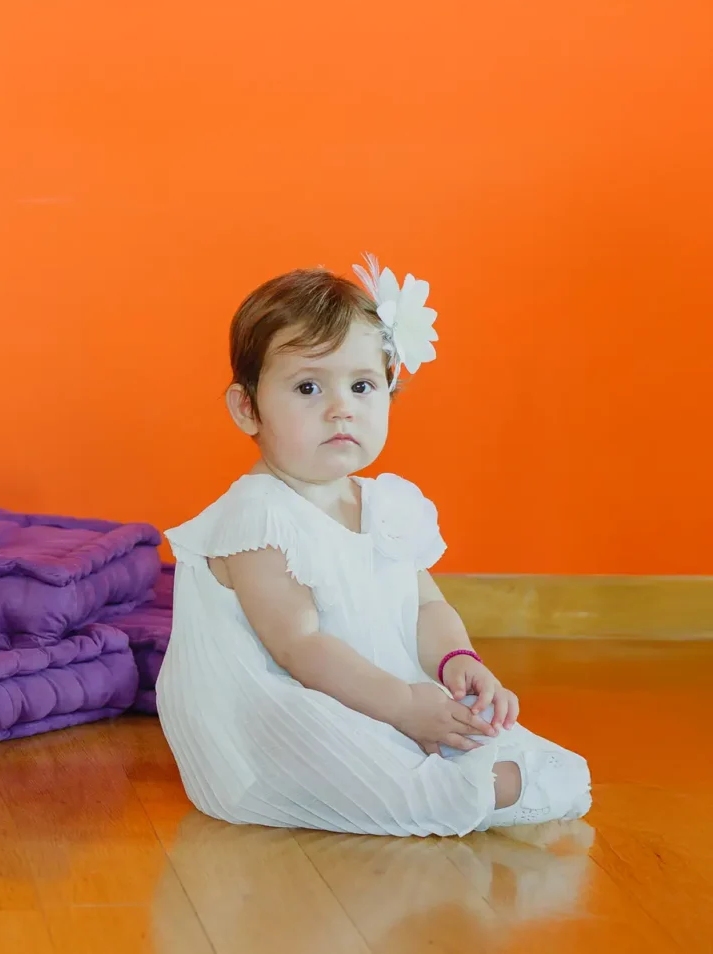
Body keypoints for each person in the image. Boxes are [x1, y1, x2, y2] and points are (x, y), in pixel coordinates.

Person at [156, 256, 591, 836]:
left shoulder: (388, 505)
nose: (342, 407)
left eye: (362, 385)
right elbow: (300, 648)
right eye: (308, 386)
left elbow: (427, 605)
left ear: (389, 390)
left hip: (387, 693)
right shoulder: (257, 519)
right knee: (350, 751)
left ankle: (467, 771)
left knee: (552, 768)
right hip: (280, 716)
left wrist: (458, 661)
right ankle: (443, 785)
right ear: (247, 408)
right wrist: (403, 707)